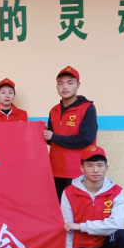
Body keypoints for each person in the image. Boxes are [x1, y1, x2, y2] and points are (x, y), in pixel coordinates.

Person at [43, 66, 98, 201]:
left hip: (77, 171)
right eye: (60, 83)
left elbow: (86, 139)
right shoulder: (54, 110)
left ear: (78, 85)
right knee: (58, 209)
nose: (64, 87)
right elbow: (52, 140)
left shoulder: (87, 108)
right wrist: (44, 133)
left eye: (70, 83)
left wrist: (54, 136)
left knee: (78, 209)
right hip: (55, 170)